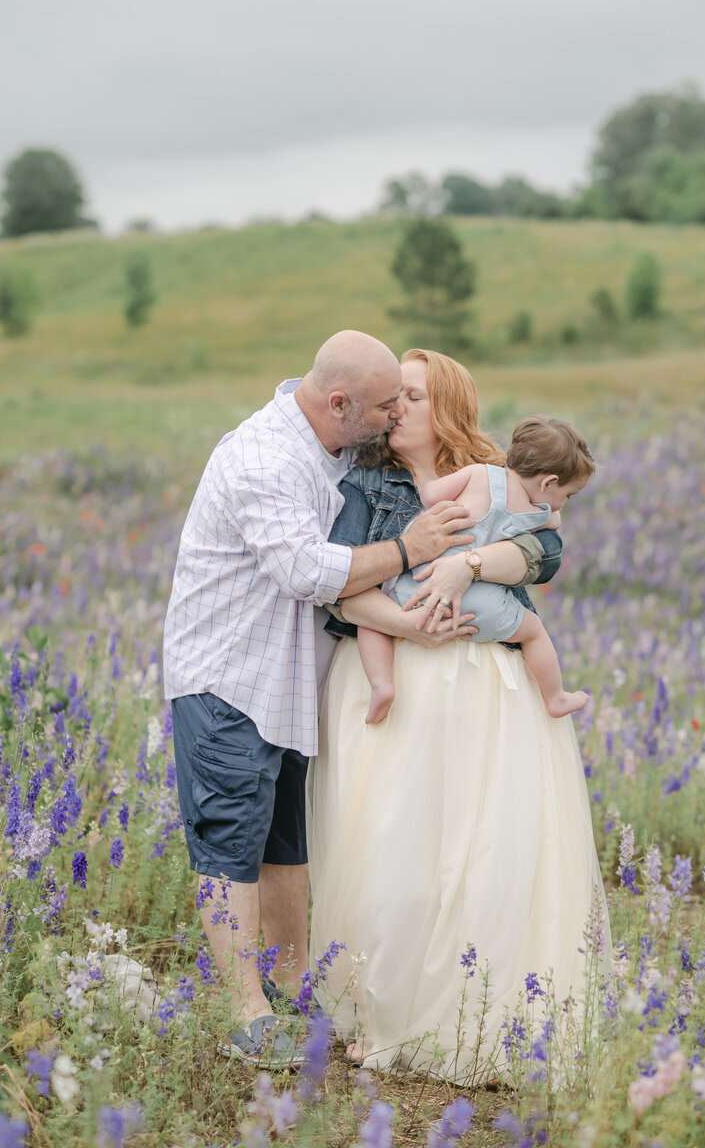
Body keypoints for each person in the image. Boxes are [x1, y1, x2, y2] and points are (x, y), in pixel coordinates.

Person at [162, 330, 478, 1066]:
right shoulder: (263, 457)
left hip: (290, 678)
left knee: (283, 838)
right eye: (380, 407)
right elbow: (307, 571)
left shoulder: (336, 442)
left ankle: (293, 983)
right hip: (230, 674)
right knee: (227, 838)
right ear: (339, 403)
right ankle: (246, 1012)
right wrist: (413, 547)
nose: (391, 417)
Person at [308, 349, 611, 1082]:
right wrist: (414, 626)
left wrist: (466, 565)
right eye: (392, 396)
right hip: (399, 674)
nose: (395, 407)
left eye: (412, 394)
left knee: (483, 845)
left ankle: (480, 1014)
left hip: (483, 683)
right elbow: (344, 589)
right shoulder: (365, 482)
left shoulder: (491, 472)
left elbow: (543, 552)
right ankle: (385, 1008)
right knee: (392, 840)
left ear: (446, 405)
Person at [356, 414, 596, 724]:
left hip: (419, 585)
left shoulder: (479, 475)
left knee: (373, 617)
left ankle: (382, 685)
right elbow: (554, 521)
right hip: (477, 606)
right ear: (548, 482)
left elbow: (428, 496)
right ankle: (555, 697)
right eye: (567, 495)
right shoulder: (536, 513)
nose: (562, 503)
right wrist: (548, 508)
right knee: (534, 632)